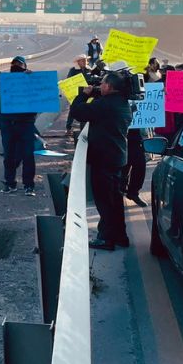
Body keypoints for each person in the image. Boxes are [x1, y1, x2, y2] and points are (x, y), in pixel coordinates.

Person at [69, 69, 134, 249]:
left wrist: (83, 95)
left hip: (103, 159)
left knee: (104, 201)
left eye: (102, 83)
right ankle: (121, 236)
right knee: (115, 199)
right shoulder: (122, 103)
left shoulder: (105, 105)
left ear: (109, 86)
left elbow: (78, 112)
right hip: (118, 157)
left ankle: (106, 238)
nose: (100, 86)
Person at [0, 45, 37, 195]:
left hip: (26, 124)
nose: (15, 67)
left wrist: (32, 79)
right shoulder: (5, 80)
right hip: (8, 124)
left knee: (28, 156)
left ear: (25, 67)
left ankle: (29, 186)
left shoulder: (31, 80)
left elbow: (43, 92)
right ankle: (10, 183)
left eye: (19, 65)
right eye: (13, 65)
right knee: (9, 156)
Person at [65, 54, 93, 137]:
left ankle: (83, 129)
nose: (85, 62)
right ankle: (68, 128)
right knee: (72, 110)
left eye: (85, 60)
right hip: (76, 93)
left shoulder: (89, 69)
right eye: (82, 60)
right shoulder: (73, 70)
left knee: (85, 110)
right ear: (78, 62)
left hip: (87, 93)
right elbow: (68, 82)